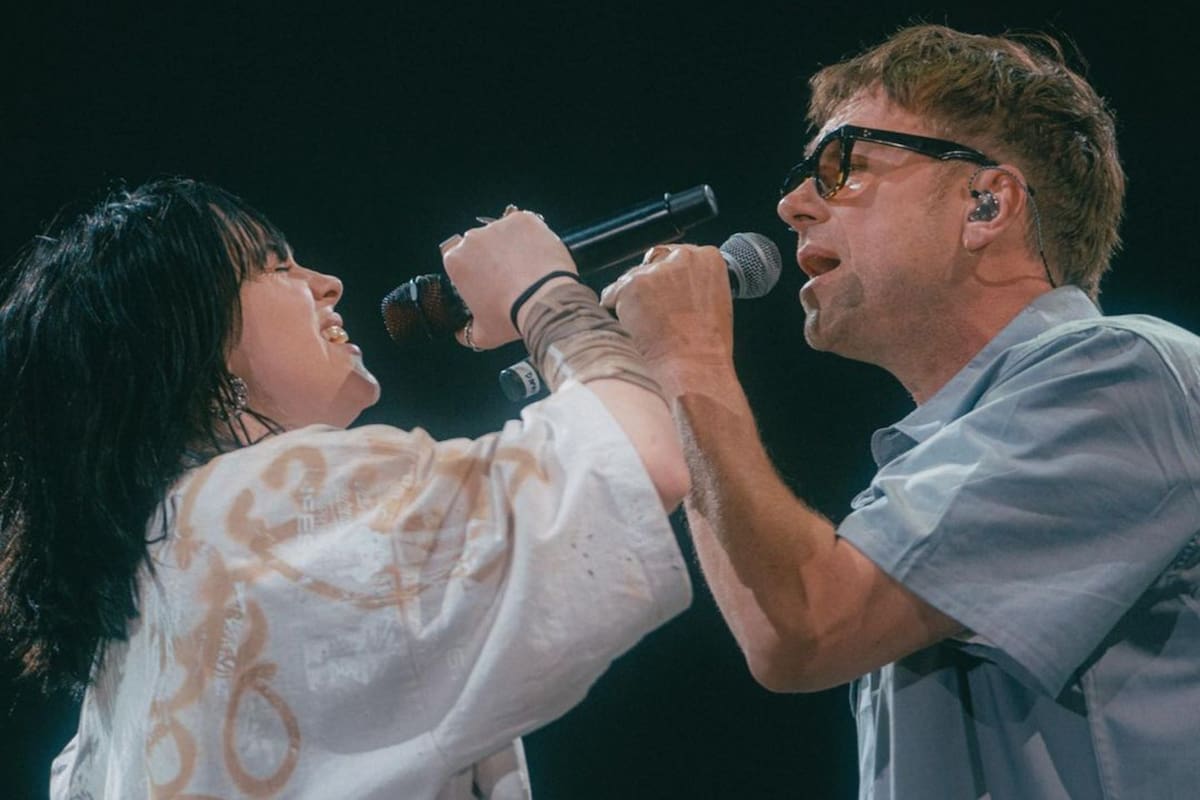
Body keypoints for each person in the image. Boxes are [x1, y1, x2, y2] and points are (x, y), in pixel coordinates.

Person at [601, 24, 1200, 799]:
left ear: (986, 203)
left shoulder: (1124, 373)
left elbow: (803, 627)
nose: (791, 205)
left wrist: (689, 359)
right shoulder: (932, 465)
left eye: (842, 165)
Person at [0, 178, 692, 799]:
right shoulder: (266, 504)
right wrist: (542, 290)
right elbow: (631, 463)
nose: (327, 282)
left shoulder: (126, 649)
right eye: (276, 267)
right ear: (191, 336)